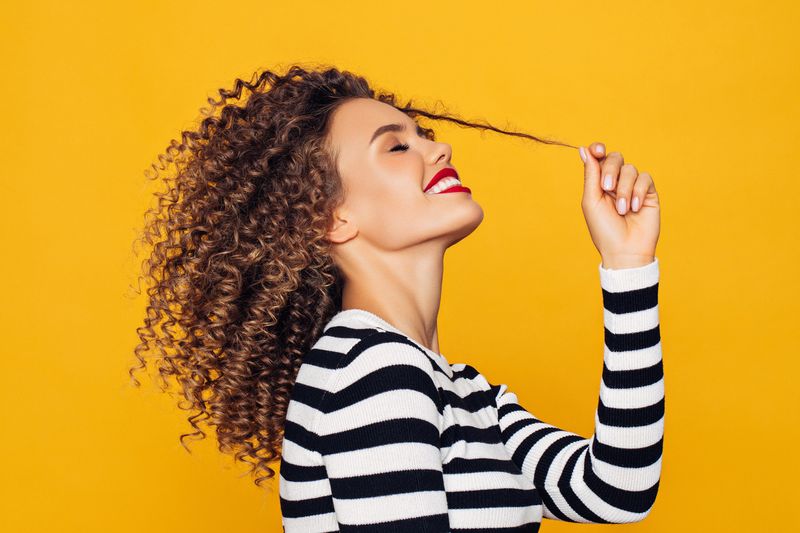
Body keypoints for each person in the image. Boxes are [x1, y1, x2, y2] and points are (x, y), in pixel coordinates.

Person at [129, 64, 662, 532]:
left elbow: (618, 488)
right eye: (397, 146)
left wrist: (629, 263)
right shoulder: (374, 372)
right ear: (331, 216)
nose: (439, 148)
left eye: (421, 136)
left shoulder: (460, 392)